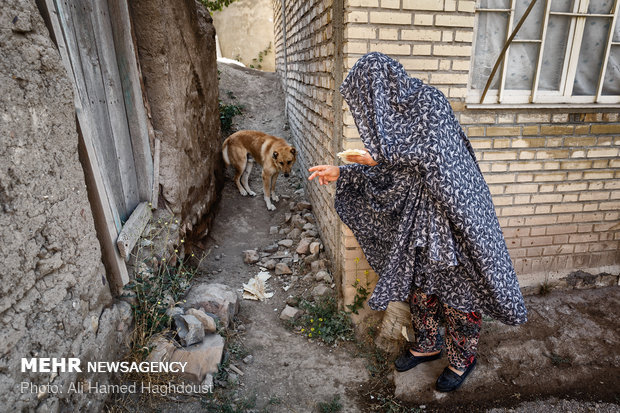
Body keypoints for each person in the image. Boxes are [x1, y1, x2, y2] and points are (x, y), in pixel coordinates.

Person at [308, 52, 527, 393]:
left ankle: (462, 359)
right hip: (418, 220)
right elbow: (399, 170)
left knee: (460, 294)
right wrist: (344, 171)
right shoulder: (394, 126)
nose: (368, 111)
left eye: (368, 99)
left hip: (454, 217)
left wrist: (385, 157)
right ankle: (427, 344)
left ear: (381, 90)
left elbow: (439, 162)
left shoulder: (430, 104)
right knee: (421, 286)